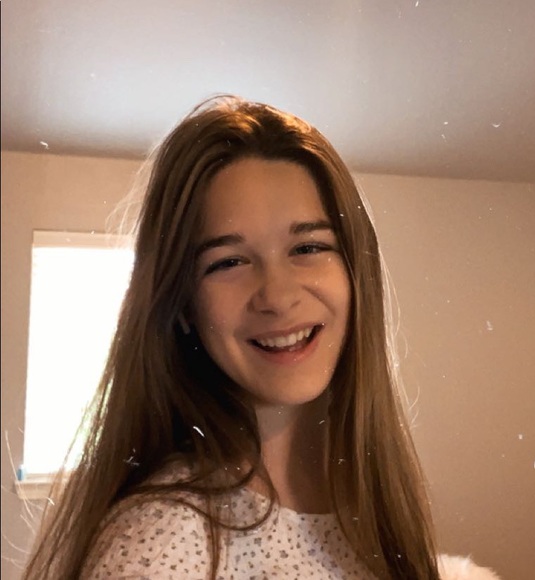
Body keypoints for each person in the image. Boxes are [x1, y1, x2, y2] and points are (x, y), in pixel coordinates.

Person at [23, 96, 496, 580]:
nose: (278, 295)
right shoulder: (163, 540)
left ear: (357, 274)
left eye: (307, 247)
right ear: (182, 305)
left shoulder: (369, 508)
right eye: (228, 262)